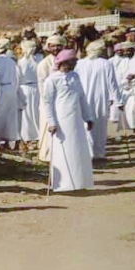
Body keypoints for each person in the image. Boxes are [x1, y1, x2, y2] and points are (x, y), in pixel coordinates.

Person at [43, 50, 94, 192]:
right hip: (61, 121)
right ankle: (64, 185)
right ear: (63, 63)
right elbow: (47, 103)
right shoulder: (51, 80)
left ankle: (79, 183)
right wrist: (52, 122)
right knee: (63, 150)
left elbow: (82, 98)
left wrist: (87, 117)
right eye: (72, 62)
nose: (75, 64)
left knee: (78, 150)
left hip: (76, 120)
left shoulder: (75, 77)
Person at [74, 40, 122, 161]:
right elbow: (113, 84)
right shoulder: (106, 64)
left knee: (86, 124)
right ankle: (99, 153)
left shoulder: (79, 63)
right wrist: (119, 101)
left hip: (83, 97)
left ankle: (88, 153)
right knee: (100, 125)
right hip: (101, 98)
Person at [36, 35, 65, 163]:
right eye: (53, 45)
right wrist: (48, 100)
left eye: (59, 45)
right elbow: (41, 84)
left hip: (62, 100)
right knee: (47, 125)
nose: (56, 48)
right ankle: (47, 154)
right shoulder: (44, 63)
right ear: (48, 47)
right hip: (48, 100)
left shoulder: (66, 61)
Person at [0, 38, 21, 149]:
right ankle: (11, 139)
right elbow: (17, 77)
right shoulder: (12, 61)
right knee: (10, 116)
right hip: (11, 89)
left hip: (1, 89)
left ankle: (0, 141)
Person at [17, 40, 42, 146]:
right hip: (37, 87)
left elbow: (18, 77)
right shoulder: (40, 59)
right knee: (36, 111)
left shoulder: (21, 62)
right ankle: (37, 134)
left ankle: (27, 136)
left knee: (27, 113)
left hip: (24, 88)